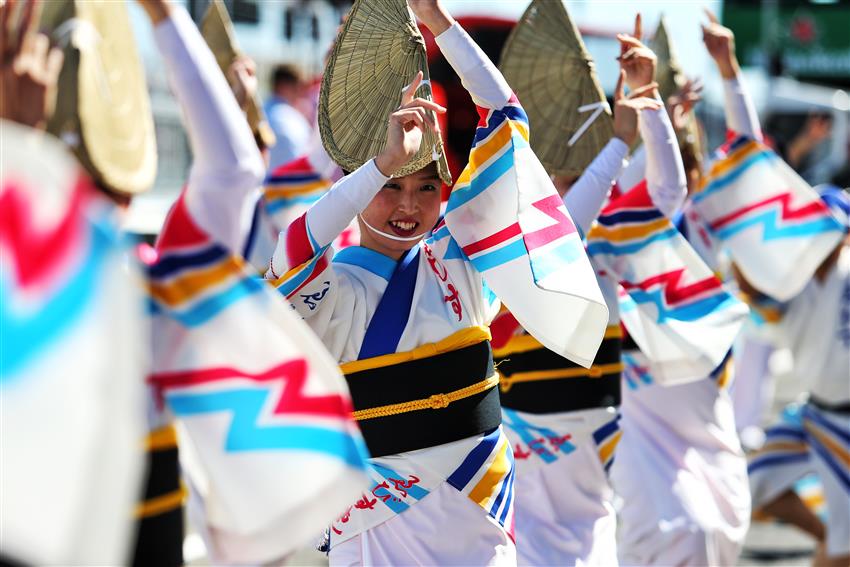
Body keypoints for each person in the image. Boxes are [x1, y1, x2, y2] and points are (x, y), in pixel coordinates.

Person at [261, 0, 610, 563]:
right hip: (376, 527)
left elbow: (506, 119)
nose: (409, 205)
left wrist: (439, 23)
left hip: (477, 513)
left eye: (426, 187)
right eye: (391, 188)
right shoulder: (336, 287)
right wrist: (379, 163)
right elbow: (293, 251)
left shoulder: (460, 256)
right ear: (355, 187)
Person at [491, 7, 742, 565]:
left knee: (602, 544)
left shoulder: (610, 227)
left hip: (599, 423)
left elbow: (668, 192)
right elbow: (567, 232)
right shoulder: (519, 229)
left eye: (582, 175)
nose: (573, 182)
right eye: (564, 173)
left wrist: (646, 97)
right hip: (522, 426)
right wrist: (618, 144)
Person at [740, 188, 850, 567]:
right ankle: (827, 537)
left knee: (841, 550)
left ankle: (835, 543)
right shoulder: (794, 278)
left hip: (846, 423)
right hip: (813, 413)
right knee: (753, 484)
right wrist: (739, 238)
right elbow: (756, 294)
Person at [264, 63, 313, 170]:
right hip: (292, 182)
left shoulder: (259, 113)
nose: (301, 93)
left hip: (262, 183)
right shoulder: (294, 119)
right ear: (283, 86)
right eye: (298, 87)